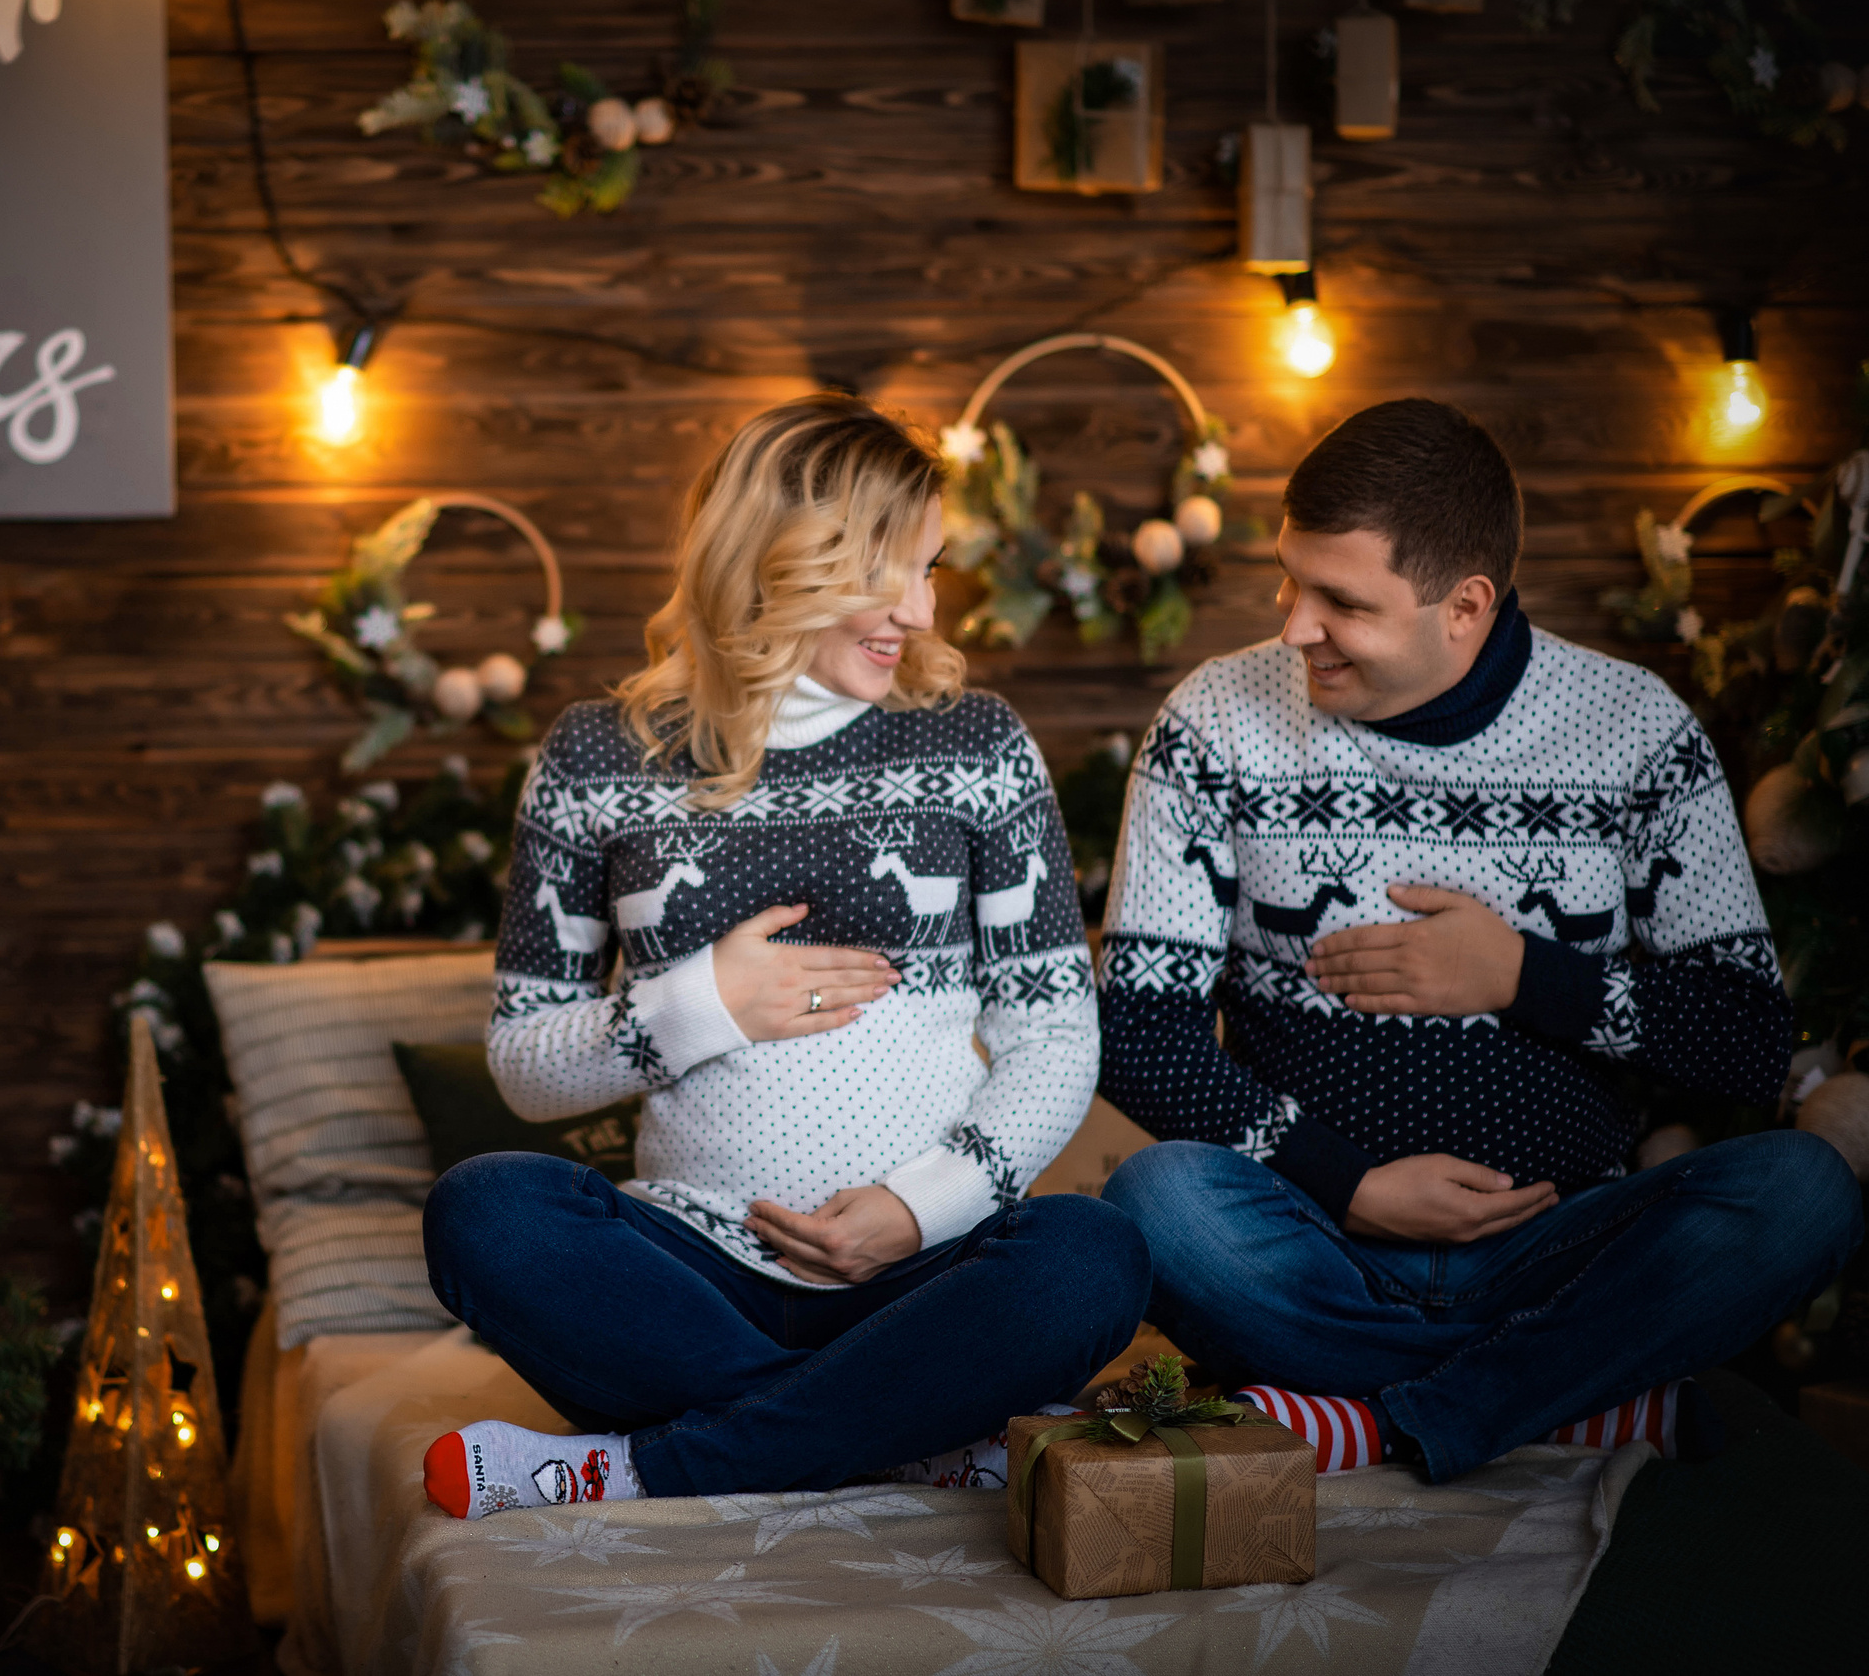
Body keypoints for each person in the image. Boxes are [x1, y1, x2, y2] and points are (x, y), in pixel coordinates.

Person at [1094, 397, 1863, 1483]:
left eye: (1340, 601)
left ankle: (1386, 1417)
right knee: (1153, 1200)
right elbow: (1135, 1030)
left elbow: (1743, 1037)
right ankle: (1553, 1397)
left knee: (1805, 1190)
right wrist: (1345, 1180)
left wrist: (1522, 973)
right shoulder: (1214, 722)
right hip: (1311, 1241)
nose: (1291, 627)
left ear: (1463, 606)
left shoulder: (1636, 732)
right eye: (1288, 579)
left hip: (1562, 1251)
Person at [418, 392, 1147, 1519]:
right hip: (696, 1276)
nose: (918, 607)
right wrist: (701, 1000)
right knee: (484, 1209)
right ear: (778, 560)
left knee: (1090, 1249)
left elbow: (1051, 1033)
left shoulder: (977, 741)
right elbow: (524, 1062)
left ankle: (658, 1463)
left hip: (929, 1272)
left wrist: (920, 1207)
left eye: (932, 569)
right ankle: (892, 1436)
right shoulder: (596, 756)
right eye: (888, 571)